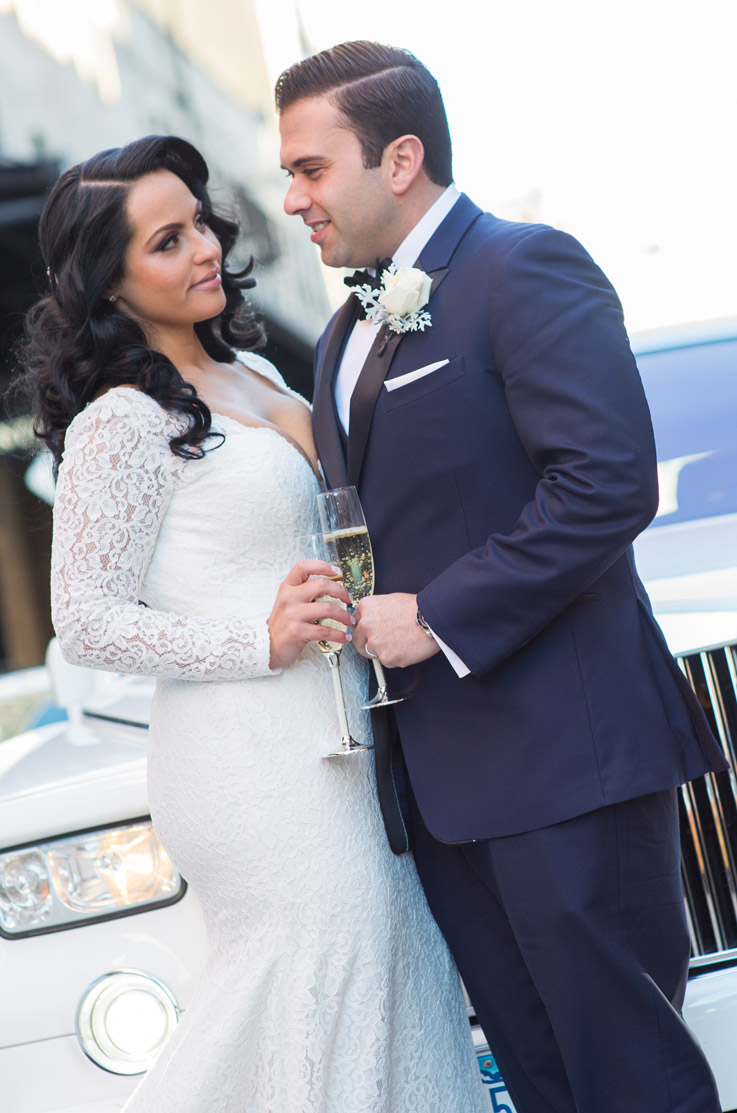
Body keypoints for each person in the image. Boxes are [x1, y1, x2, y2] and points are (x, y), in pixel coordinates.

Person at [276, 40, 728, 1113]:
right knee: (541, 1086)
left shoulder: (523, 266)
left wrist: (436, 615)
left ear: (399, 159)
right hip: (438, 788)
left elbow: (604, 484)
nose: (291, 199)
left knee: (631, 1078)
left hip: (565, 760)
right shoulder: (339, 334)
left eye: (309, 168)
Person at [14, 135, 487, 1113]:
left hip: (341, 736)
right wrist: (257, 638)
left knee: (392, 967)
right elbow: (87, 621)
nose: (202, 248)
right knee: (318, 974)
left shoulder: (258, 373)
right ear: (109, 285)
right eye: (165, 241)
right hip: (248, 761)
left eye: (198, 222)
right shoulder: (121, 421)